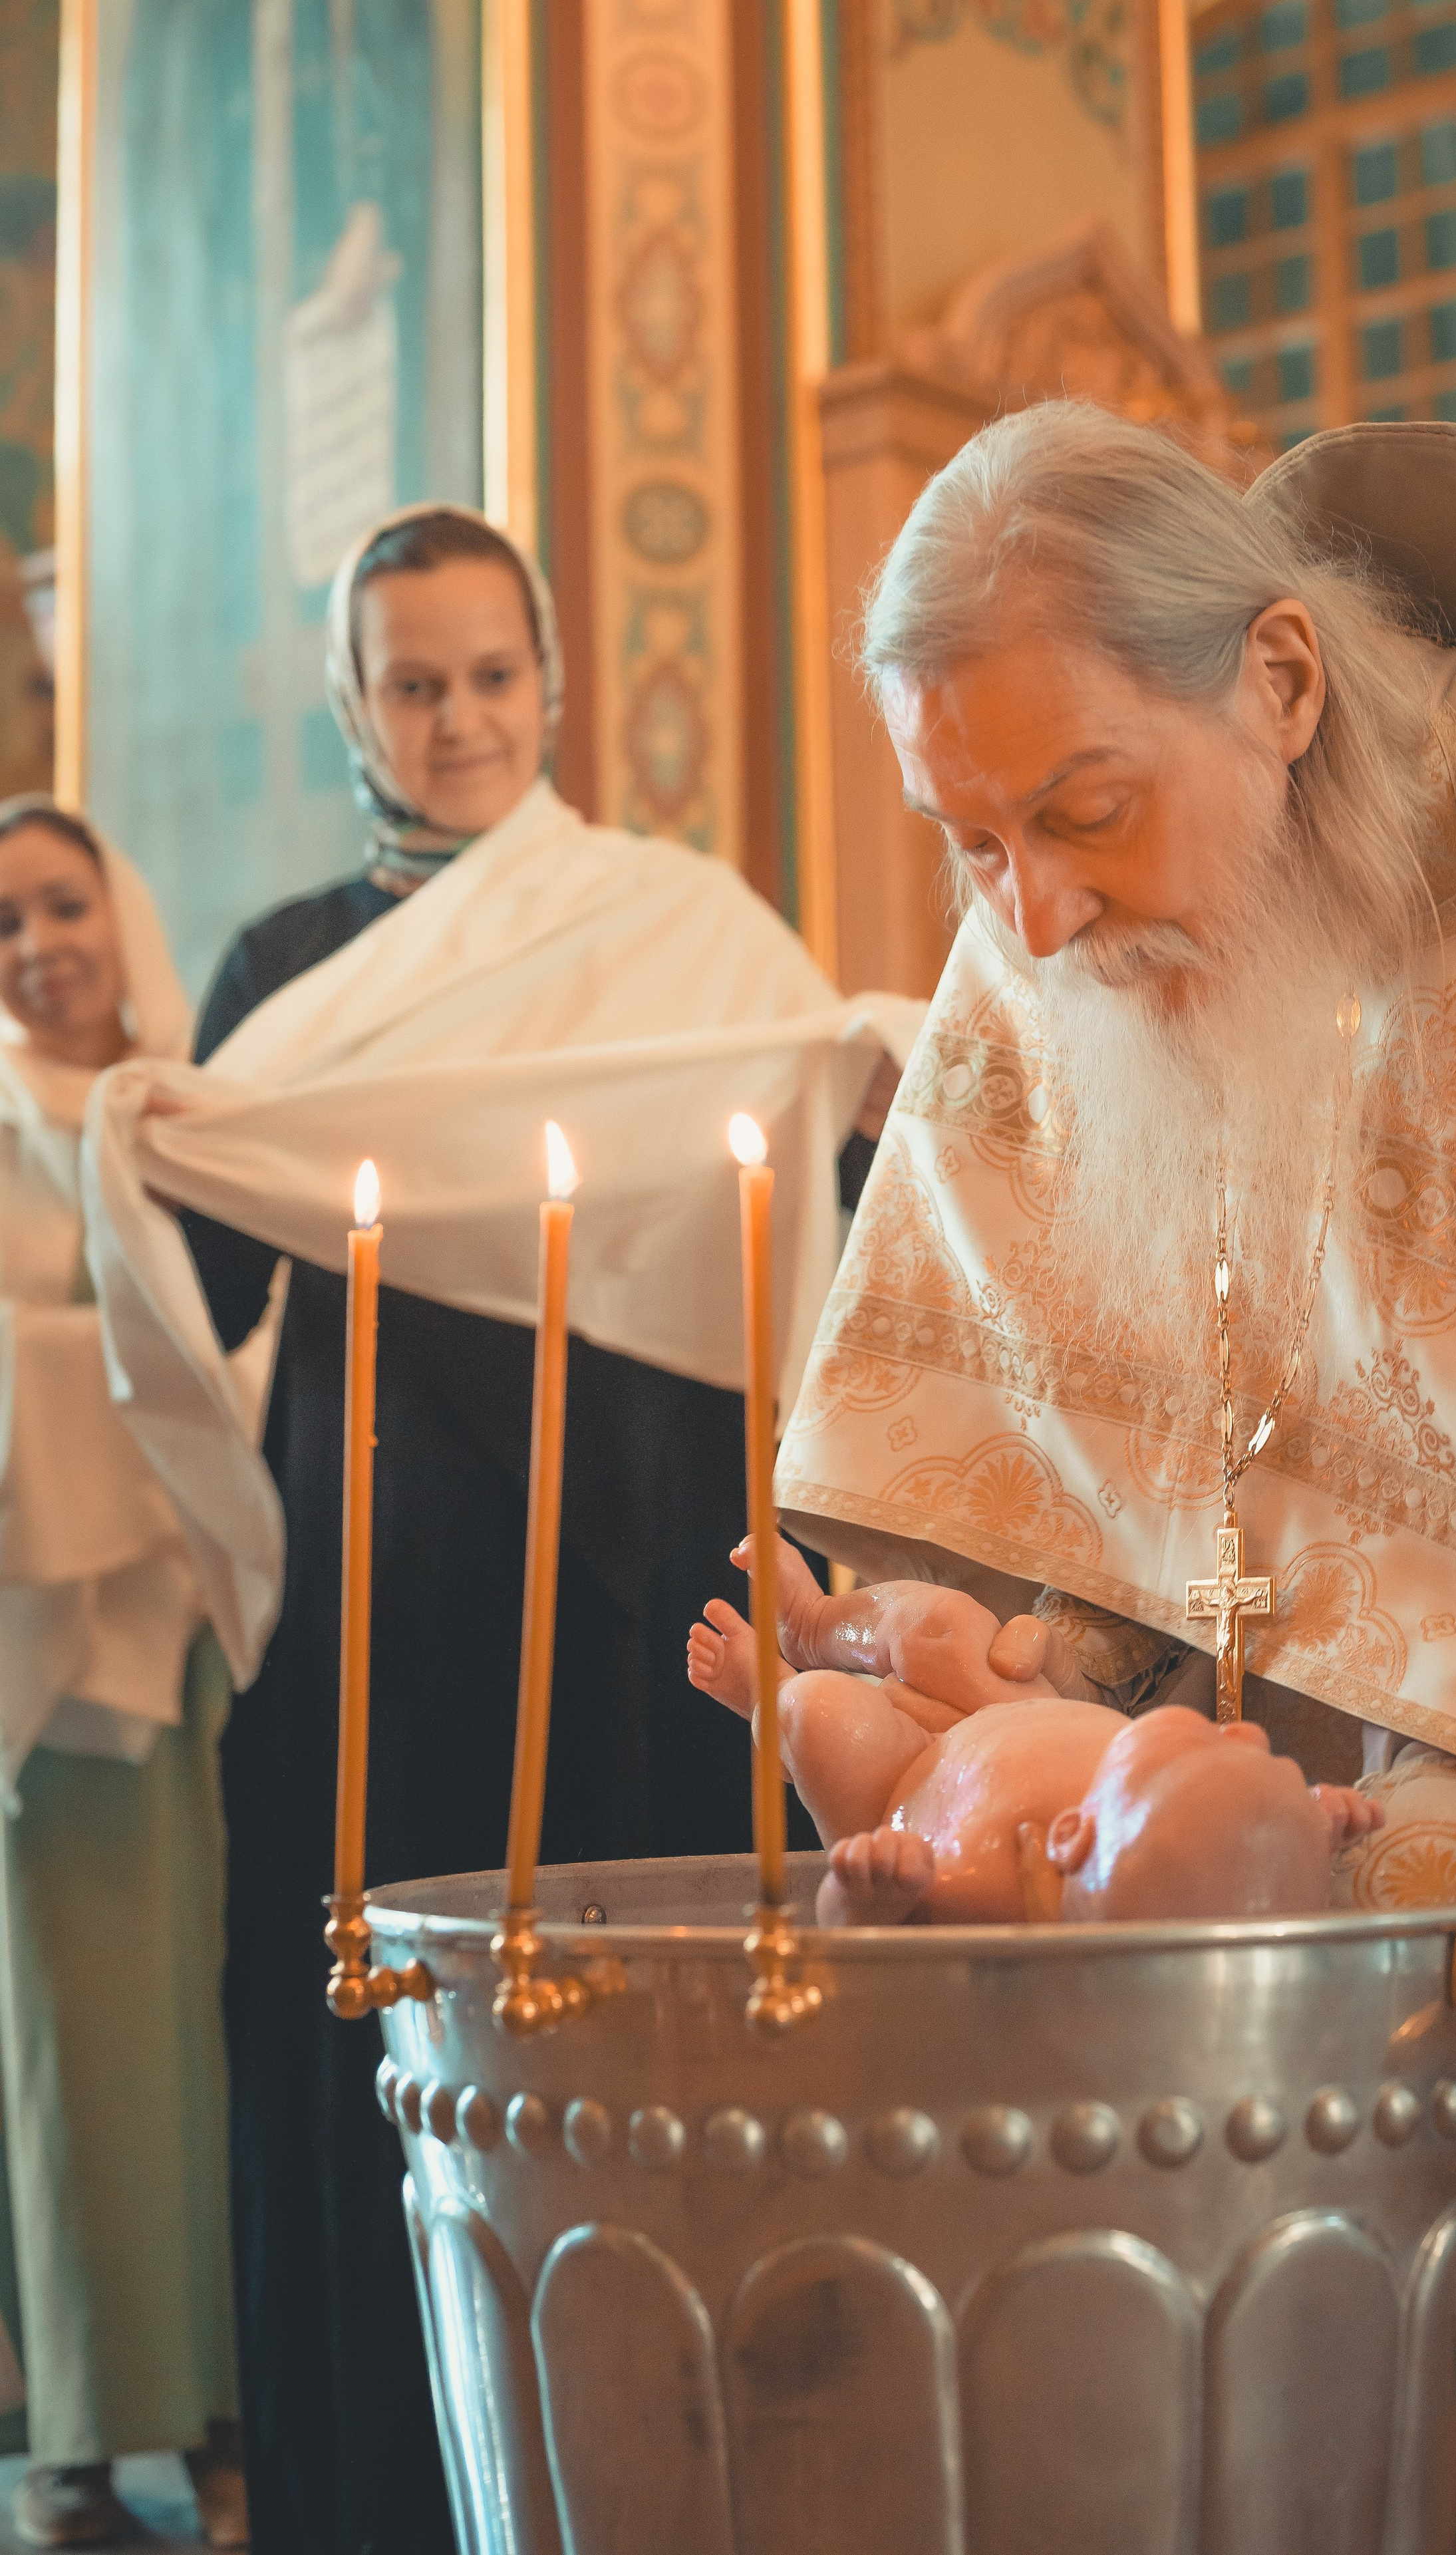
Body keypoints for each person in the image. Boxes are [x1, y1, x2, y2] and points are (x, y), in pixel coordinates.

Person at [774, 405, 1456, 2538]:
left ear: (1278, 682)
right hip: (1212, 1997)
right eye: (969, 842)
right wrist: (1011, 1646)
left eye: (1082, 813)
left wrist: (1437, 1778)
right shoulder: (1060, 907)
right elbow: (1063, 1424)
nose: (1034, 913)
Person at [78, 505, 907, 2555]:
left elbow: (808, 1184)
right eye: (413, 684)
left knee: (649, 2042)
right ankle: (375, 2492)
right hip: (385, 1594)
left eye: (491, 676)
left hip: (643, 1579)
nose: (457, 719)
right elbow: (214, 1286)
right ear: (351, 702)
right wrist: (135, 1143)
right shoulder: (288, 964)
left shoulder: (685, 927)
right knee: (383, 2055)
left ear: (551, 682)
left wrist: (877, 1092)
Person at [0, 799, 245, 2550]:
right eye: (3, 922)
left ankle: (229, 2405)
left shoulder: (186, 1116)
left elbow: (248, 1333)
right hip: (48, 1645)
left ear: (120, 914)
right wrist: (107, 1374)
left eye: (62, 907)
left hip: (198, 1616)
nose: (37, 947)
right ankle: (80, 2432)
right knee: (70, 2044)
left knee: (214, 2019)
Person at [687, 1539, 1381, 1923]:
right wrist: (1305, 1819)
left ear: (1072, 1835)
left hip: (902, 1782)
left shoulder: (971, 1884)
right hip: (1012, 1707)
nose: (1239, 1734)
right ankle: (816, 1624)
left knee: (823, 1714)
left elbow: (851, 1943)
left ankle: (767, 1692)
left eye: (1204, 1744)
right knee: (947, 1628)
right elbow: (1244, 1854)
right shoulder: (1190, 1841)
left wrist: (870, 1895)